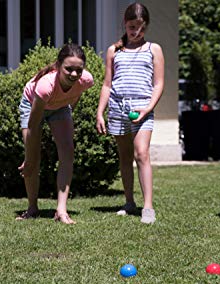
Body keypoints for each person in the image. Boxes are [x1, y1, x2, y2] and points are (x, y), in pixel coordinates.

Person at [96, 2, 164, 224]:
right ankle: (129, 202)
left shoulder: (154, 49)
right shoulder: (114, 51)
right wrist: (100, 112)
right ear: (125, 24)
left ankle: (148, 207)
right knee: (124, 157)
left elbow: (159, 83)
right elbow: (107, 84)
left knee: (141, 153)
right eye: (132, 27)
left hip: (142, 108)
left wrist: (148, 108)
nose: (136, 32)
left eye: (141, 28)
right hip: (117, 108)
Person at [18, 44, 94, 224]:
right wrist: (29, 158)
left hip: (59, 108)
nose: (74, 74)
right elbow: (33, 124)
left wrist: (67, 113)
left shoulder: (86, 80)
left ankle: (61, 210)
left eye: (78, 70)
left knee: (68, 153)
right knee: (33, 160)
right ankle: (32, 208)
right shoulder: (46, 85)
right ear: (59, 66)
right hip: (33, 105)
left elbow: (75, 95)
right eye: (69, 69)